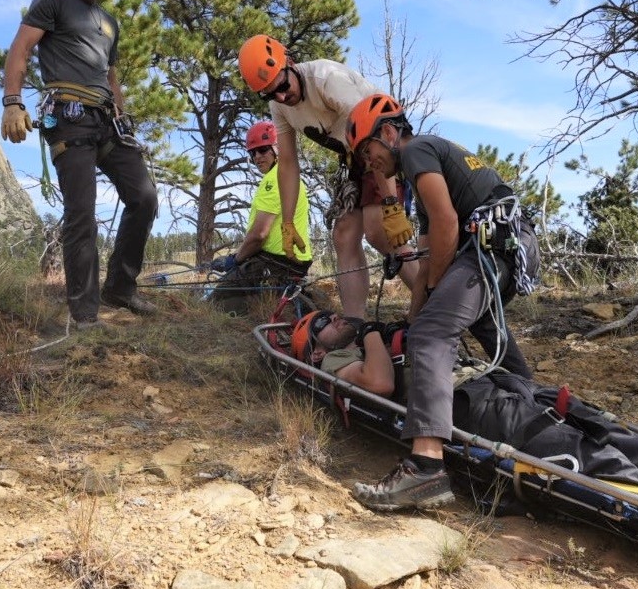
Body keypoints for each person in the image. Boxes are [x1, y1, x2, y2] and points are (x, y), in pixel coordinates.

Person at [345, 94, 539, 513]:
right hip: (501, 246)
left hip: (489, 250)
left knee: (434, 334)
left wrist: (425, 322)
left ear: (389, 133)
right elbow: (433, 253)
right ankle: (535, 406)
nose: (370, 165)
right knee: (477, 327)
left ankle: (425, 468)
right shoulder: (428, 170)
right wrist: (416, 313)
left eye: (370, 153)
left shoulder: (416, 151)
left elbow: (448, 228)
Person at [0, 0, 158, 325]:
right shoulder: (53, 0)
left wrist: (122, 116)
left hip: (107, 123)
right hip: (69, 121)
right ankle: (85, 316)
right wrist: (12, 102)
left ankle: (121, 289)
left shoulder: (109, 22)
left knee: (145, 196)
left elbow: (111, 75)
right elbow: (21, 48)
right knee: (82, 213)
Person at [237, 34, 382, 318]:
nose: (280, 96)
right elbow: (288, 164)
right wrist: (287, 222)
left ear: (288, 62)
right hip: (355, 160)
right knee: (343, 235)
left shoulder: (326, 78)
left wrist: (389, 198)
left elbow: (373, 132)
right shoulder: (279, 107)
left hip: (383, 148)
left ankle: (430, 314)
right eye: (269, 93)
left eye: (281, 86)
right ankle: (356, 325)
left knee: (381, 235)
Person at [209, 119, 314, 307]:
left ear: (277, 148)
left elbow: (259, 235)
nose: (257, 156)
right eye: (252, 152)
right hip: (290, 263)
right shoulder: (286, 176)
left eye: (263, 150)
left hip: (276, 262)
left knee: (215, 304)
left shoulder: (274, 180)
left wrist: (235, 259)